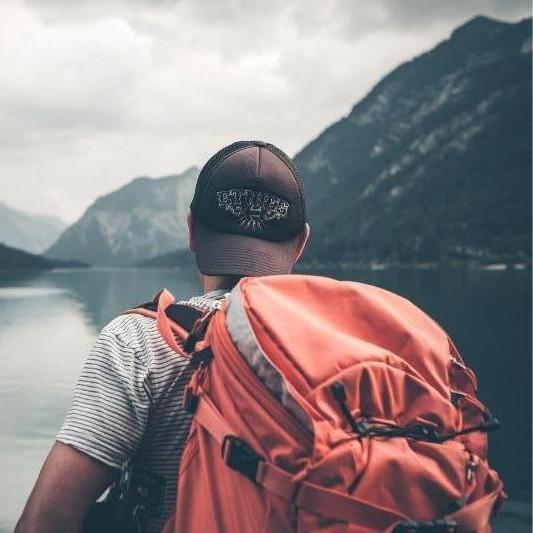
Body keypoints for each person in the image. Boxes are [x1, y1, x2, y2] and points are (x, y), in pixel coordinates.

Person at [15, 140, 310, 533]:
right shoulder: (347, 353)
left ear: (191, 231)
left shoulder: (137, 342)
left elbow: (44, 523)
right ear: (300, 244)